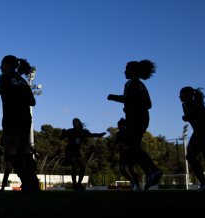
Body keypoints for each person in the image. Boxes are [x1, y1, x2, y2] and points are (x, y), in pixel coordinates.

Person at [0, 55, 40, 193]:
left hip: (12, 119)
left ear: (7, 64)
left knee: (11, 153)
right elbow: (32, 102)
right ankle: (33, 183)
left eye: (1, 64)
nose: (0, 67)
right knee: (25, 152)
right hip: (25, 119)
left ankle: (26, 182)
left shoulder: (4, 77)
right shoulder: (22, 81)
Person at [107, 59, 163, 190]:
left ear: (132, 71)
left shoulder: (133, 84)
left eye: (126, 69)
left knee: (131, 146)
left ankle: (153, 170)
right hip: (139, 119)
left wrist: (114, 98)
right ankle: (150, 173)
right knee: (133, 148)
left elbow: (139, 102)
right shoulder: (136, 84)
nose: (124, 72)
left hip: (137, 119)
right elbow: (142, 102)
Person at [62, 118, 106, 191]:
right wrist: (63, 132)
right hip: (69, 150)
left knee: (83, 166)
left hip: (77, 151)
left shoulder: (83, 132)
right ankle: (74, 185)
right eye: (73, 123)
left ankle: (79, 184)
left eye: (75, 122)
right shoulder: (70, 131)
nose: (74, 124)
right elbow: (61, 137)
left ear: (79, 123)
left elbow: (91, 135)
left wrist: (99, 135)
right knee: (74, 166)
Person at [113, 118, 141, 190]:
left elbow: (133, 141)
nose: (119, 126)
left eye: (120, 125)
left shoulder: (129, 132)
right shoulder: (118, 134)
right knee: (122, 169)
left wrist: (126, 145)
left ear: (124, 125)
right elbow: (115, 143)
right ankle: (132, 181)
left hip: (130, 153)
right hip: (122, 154)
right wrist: (117, 146)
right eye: (118, 125)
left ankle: (137, 185)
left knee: (131, 169)